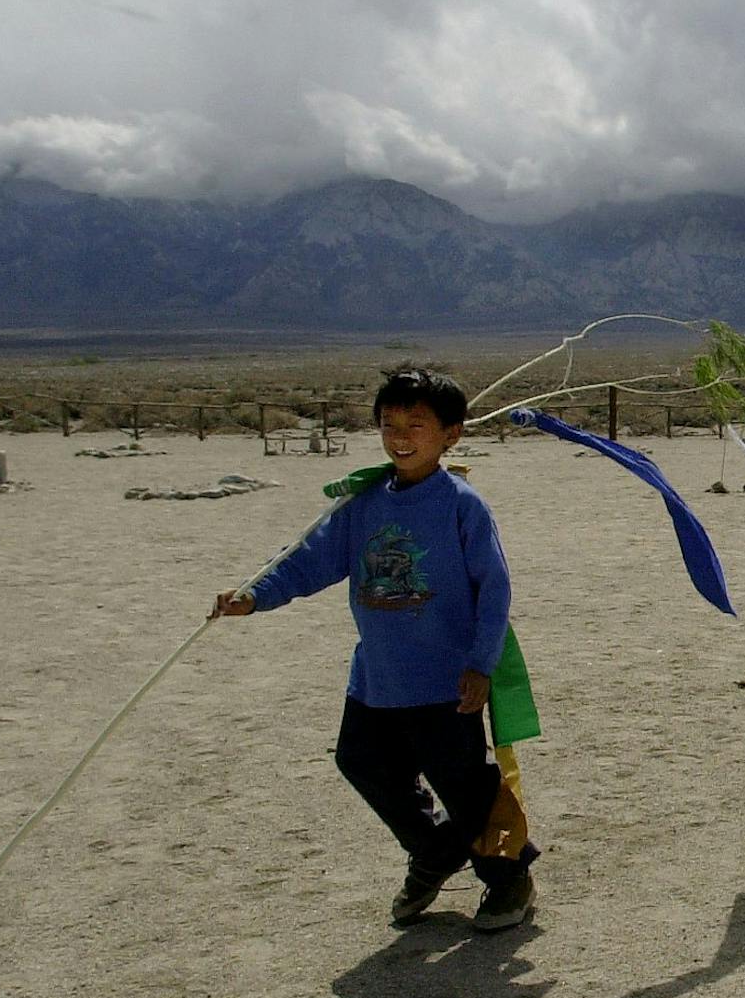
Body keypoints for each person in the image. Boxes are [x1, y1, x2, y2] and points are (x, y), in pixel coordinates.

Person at [210, 368, 539, 932]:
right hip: (378, 676)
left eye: (417, 424)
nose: (401, 436)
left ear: (450, 434)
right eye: (390, 424)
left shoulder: (462, 505)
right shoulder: (361, 504)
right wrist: (255, 596)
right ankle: (435, 851)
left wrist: (481, 665)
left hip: (445, 679)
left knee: (461, 782)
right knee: (361, 762)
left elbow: (495, 588)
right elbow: (312, 559)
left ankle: (509, 880)